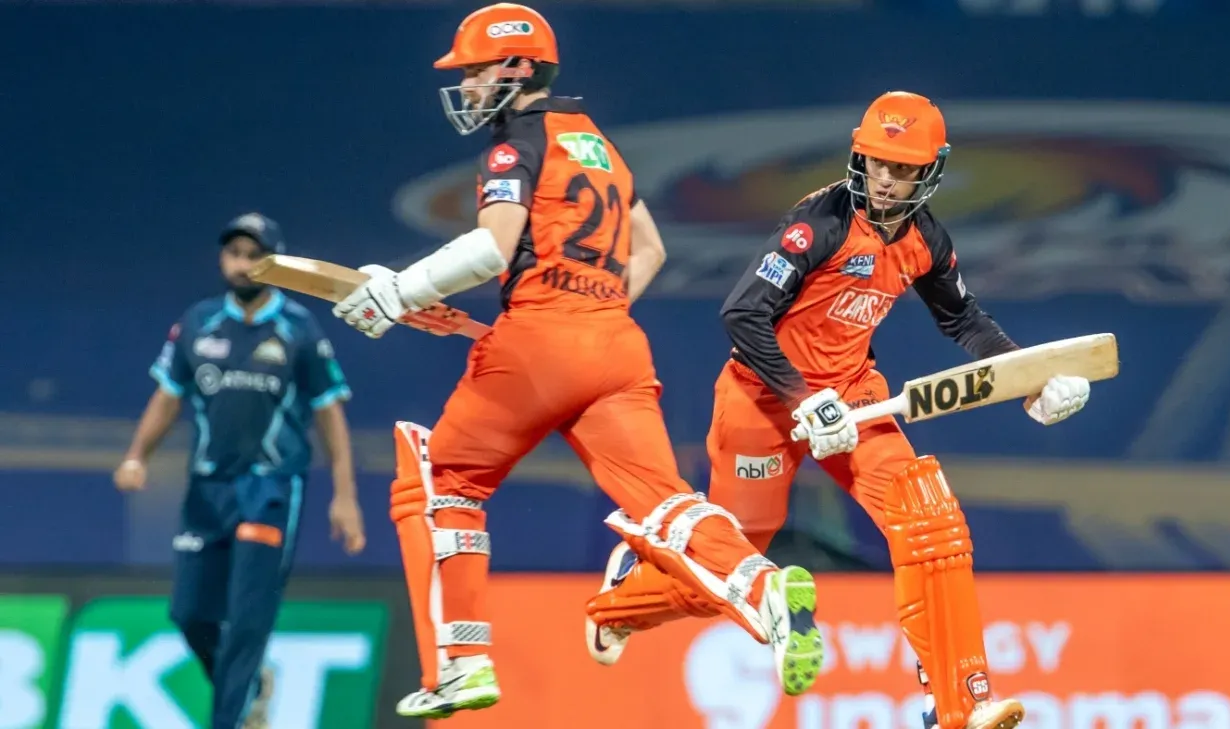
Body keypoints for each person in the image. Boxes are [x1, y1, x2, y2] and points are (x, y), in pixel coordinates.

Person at [330, 2, 825, 720]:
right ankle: (761, 585)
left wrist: (399, 291)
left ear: (517, 67)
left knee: (440, 481)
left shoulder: (514, 144)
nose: (465, 87)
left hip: (539, 342)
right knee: (663, 501)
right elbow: (650, 249)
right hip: (615, 341)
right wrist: (588, 305)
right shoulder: (598, 145)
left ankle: (460, 665)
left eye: (474, 72)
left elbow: (493, 247)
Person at [585, 91, 1094, 729]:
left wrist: (1030, 378)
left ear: (930, 171)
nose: (885, 180)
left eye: (902, 168)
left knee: (930, 518)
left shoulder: (926, 239)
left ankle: (957, 703)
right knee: (733, 566)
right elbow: (742, 314)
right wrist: (803, 399)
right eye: (878, 162)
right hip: (762, 401)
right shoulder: (819, 223)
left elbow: (962, 319)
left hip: (854, 395)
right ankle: (622, 602)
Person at [113, 212, 367, 729]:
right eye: (235, 254)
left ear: (274, 262)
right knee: (189, 613)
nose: (243, 264)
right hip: (208, 486)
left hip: (271, 488)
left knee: (249, 621)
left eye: (255, 256)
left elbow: (330, 414)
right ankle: (251, 689)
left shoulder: (297, 327)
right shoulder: (199, 321)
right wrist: (136, 455)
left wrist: (344, 496)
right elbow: (168, 396)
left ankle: (229, 718)